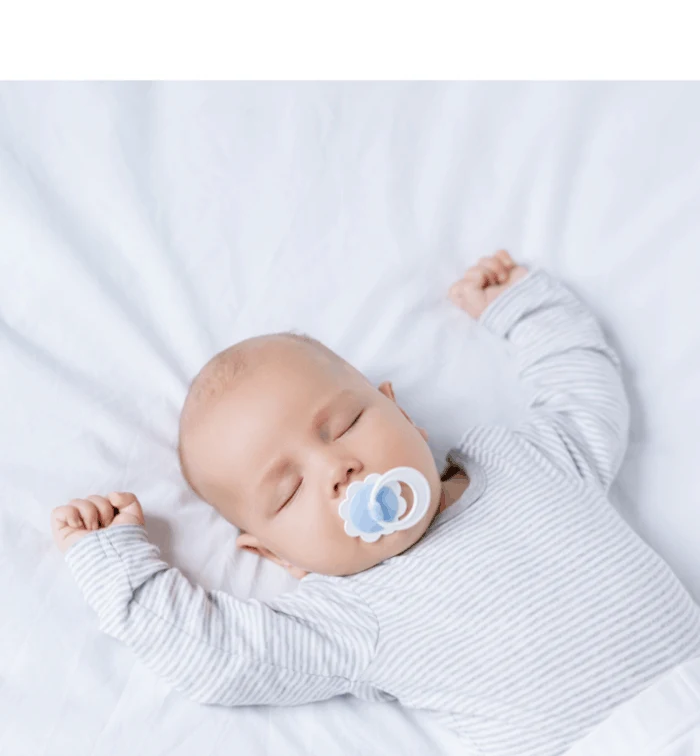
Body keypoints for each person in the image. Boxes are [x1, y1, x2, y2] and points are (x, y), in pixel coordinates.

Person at [51, 251, 700, 756]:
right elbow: (219, 658)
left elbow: (584, 396)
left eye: (342, 426)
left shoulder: (520, 460)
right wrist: (120, 571)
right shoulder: (346, 617)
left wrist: (526, 309)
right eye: (289, 490)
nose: (337, 469)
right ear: (273, 554)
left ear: (403, 412)